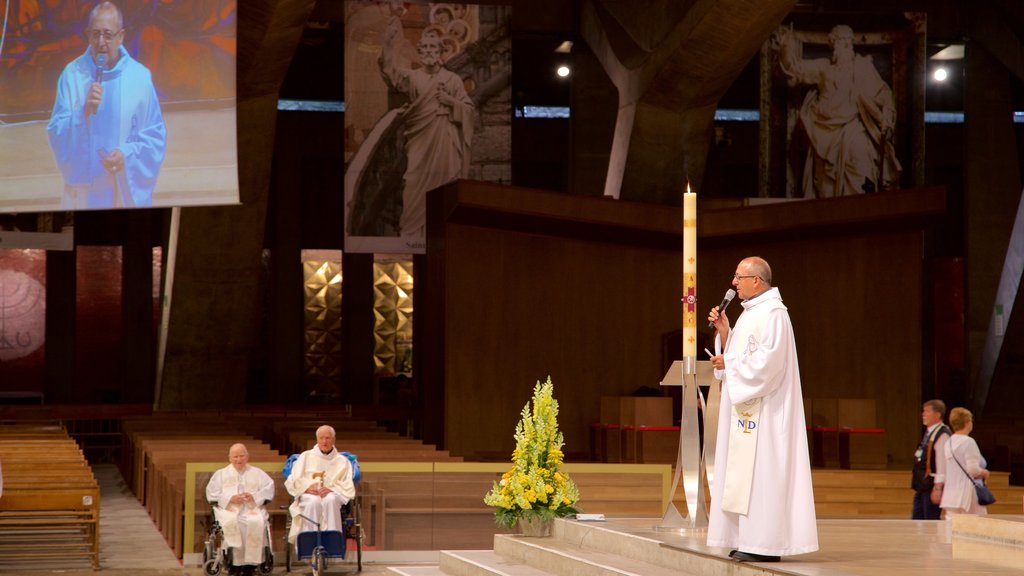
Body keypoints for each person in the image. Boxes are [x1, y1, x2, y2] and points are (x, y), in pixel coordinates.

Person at [705, 257, 818, 562]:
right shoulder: (750, 314)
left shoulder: (774, 314)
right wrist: (725, 332)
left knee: (763, 473)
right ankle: (747, 538)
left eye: (738, 277)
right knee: (744, 475)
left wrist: (731, 362)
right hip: (747, 410)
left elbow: (770, 365)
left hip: (767, 413)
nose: (733, 282)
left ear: (756, 280)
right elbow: (740, 355)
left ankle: (766, 544)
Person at [47, 1, 167, 209]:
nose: (101, 42)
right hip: (85, 194)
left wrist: (126, 155)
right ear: (87, 35)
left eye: (108, 35)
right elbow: (56, 131)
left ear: (121, 37)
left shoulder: (140, 77)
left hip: (123, 190)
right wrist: (82, 112)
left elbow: (155, 137)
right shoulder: (72, 74)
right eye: (95, 34)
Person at [773, 24, 901, 198]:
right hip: (823, 132)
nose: (838, 47)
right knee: (826, 188)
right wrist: (786, 45)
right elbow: (795, 71)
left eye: (842, 43)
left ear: (848, 44)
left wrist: (887, 113)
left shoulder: (862, 67)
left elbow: (883, 93)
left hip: (854, 129)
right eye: (835, 44)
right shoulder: (824, 68)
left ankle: (862, 214)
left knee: (861, 166)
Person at [378, 11, 474, 239]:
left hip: (445, 138)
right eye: (425, 49)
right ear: (420, 53)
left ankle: (443, 234)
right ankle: (412, 234)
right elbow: (390, 73)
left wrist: (450, 102)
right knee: (413, 181)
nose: (429, 52)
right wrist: (389, 45)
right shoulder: (412, 78)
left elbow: (469, 110)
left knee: (444, 184)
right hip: (420, 139)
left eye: (434, 49)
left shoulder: (452, 80)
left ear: (441, 54)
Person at [204, 443, 275, 576]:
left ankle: (251, 565)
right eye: (235, 456)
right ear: (230, 458)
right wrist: (230, 498)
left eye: (241, 456)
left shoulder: (257, 473)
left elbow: (269, 489)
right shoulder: (221, 474)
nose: (239, 459)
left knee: (256, 522)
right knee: (234, 522)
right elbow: (211, 493)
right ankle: (233, 564)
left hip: (252, 509)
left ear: (247, 457)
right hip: (229, 510)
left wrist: (253, 496)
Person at [284, 425, 356, 546]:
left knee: (331, 499)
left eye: (327, 438)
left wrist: (332, 489)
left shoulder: (342, 461)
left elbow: (347, 483)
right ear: (317, 439)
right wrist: (305, 489)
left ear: (334, 439)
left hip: (332, 494)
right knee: (313, 502)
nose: (324, 441)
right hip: (309, 494)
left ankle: (333, 543)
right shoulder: (305, 457)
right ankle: (309, 544)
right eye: (321, 438)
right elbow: (294, 479)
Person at [940, 407, 990, 517]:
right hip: (967, 494)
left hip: (951, 494)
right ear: (967, 423)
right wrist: (984, 473)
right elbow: (973, 470)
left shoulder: (949, 442)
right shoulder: (969, 442)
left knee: (951, 527)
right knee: (976, 526)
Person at [911, 399, 949, 520]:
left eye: (927, 411)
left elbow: (942, 463)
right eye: (923, 411)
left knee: (930, 522)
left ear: (937, 415)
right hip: (923, 485)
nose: (923, 414)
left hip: (932, 486)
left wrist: (938, 488)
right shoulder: (929, 433)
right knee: (917, 520)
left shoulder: (942, 434)